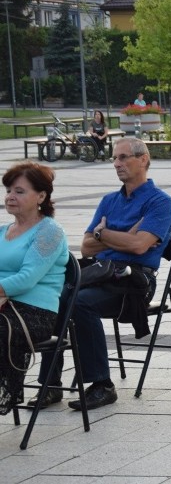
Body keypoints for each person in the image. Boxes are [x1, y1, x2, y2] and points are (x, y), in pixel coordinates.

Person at [33, 137, 171, 411]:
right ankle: (50, 384)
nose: (116, 164)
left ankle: (102, 385)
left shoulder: (160, 202)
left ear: (143, 159)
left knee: (79, 301)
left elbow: (139, 246)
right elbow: (86, 247)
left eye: (123, 158)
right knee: (54, 296)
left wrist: (103, 233)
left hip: (135, 282)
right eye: (114, 158)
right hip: (99, 274)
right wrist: (118, 236)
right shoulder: (109, 200)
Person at [0, 162, 68, 415]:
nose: (9, 196)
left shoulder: (49, 231)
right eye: (8, 190)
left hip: (34, 313)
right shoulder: (3, 231)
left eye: (19, 191)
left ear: (41, 196)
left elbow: (26, 278)